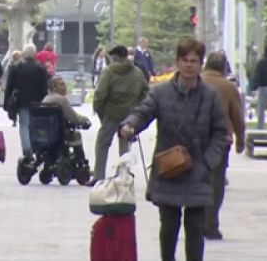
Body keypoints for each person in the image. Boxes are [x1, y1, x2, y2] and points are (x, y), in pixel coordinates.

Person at [119, 37, 228, 261]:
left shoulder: (210, 96)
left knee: (195, 228)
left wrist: (209, 162)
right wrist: (130, 125)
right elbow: (143, 112)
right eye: (185, 60)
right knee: (169, 227)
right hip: (169, 170)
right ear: (177, 62)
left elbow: (220, 133)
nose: (189, 65)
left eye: (194, 60)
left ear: (200, 64)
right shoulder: (161, 92)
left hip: (199, 171)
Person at [200, 51, 245, 240]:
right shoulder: (228, 87)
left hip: (196, 139)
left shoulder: (195, 81)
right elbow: (237, 117)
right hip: (220, 141)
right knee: (216, 182)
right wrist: (241, 141)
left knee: (195, 180)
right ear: (224, 67)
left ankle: (195, 220)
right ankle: (211, 224)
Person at [88, 45, 148, 186]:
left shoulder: (108, 72)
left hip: (111, 113)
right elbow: (145, 92)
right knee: (125, 145)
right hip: (130, 114)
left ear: (115, 57)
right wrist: (137, 107)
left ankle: (99, 175)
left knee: (102, 143)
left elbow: (100, 94)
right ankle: (123, 174)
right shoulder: (137, 73)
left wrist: (98, 109)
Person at [4, 43, 49, 161]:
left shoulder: (15, 67)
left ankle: (27, 150)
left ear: (23, 53)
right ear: (34, 54)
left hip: (21, 101)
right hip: (37, 102)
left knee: (23, 125)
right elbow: (45, 87)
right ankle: (36, 147)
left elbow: (9, 86)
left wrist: (6, 103)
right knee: (35, 126)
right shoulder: (40, 68)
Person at [42, 76, 91, 156]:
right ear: (54, 87)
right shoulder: (61, 99)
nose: (65, 87)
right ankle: (80, 160)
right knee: (76, 135)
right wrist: (85, 120)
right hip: (59, 134)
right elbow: (73, 117)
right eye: (62, 85)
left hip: (45, 133)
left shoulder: (46, 99)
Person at [1, 50, 23, 127]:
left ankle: (15, 119)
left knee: (15, 105)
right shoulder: (10, 66)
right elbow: (6, 77)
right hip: (15, 89)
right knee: (14, 106)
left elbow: (6, 77)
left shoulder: (12, 66)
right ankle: (15, 119)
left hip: (14, 89)